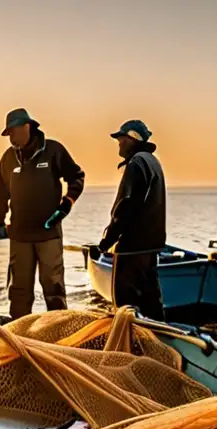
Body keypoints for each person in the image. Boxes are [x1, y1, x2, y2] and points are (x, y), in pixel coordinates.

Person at [0, 108, 85, 319]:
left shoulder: (53, 150)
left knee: (53, 288)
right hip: (20, 236)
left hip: (48, 235)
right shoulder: (8, 159)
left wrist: (67, 204)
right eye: (7, 135)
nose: (11, 138)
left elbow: (77, 177)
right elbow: (0, 193)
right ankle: (19, 336)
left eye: (12, 132)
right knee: (19, 291)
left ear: (27, 127)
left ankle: (59, 331)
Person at [90, 119, 166, 321]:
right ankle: (160, 347)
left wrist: (105, 243)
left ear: (133, 139)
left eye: (122, 139)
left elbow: (125, 207)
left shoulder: (136, 164)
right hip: (150, 249)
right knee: (152, 308)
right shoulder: (153, 162)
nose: (119, 144)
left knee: (127, 311)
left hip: (132, 250)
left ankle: (129, 350)